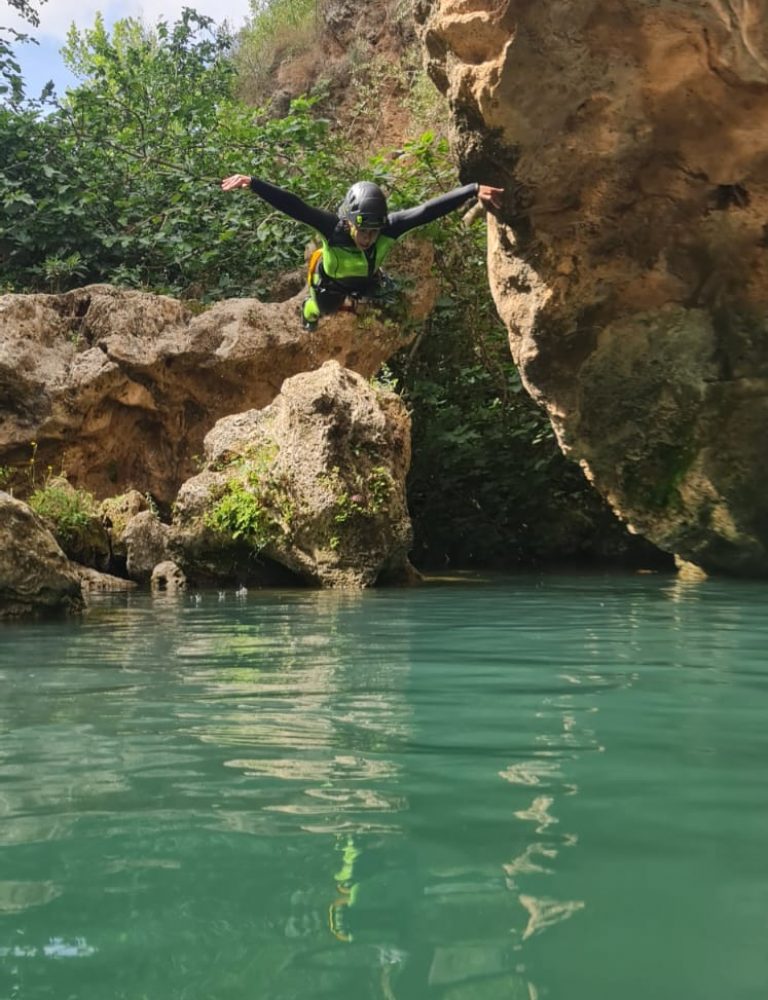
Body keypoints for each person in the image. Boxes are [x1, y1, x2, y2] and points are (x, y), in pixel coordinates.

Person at [220, 173, 504, 330]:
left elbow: (426, 211)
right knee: (324, 310)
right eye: (363, 230)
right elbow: (296, 206)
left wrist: (472, 189)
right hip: (330, 283)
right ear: (349, 222)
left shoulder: (389, 228)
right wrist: (254, 183)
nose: (368, 238)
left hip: (367, 279)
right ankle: (308, 311)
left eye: (374, 231)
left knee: (386, 303)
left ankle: (357, 301)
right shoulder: (333, 229)